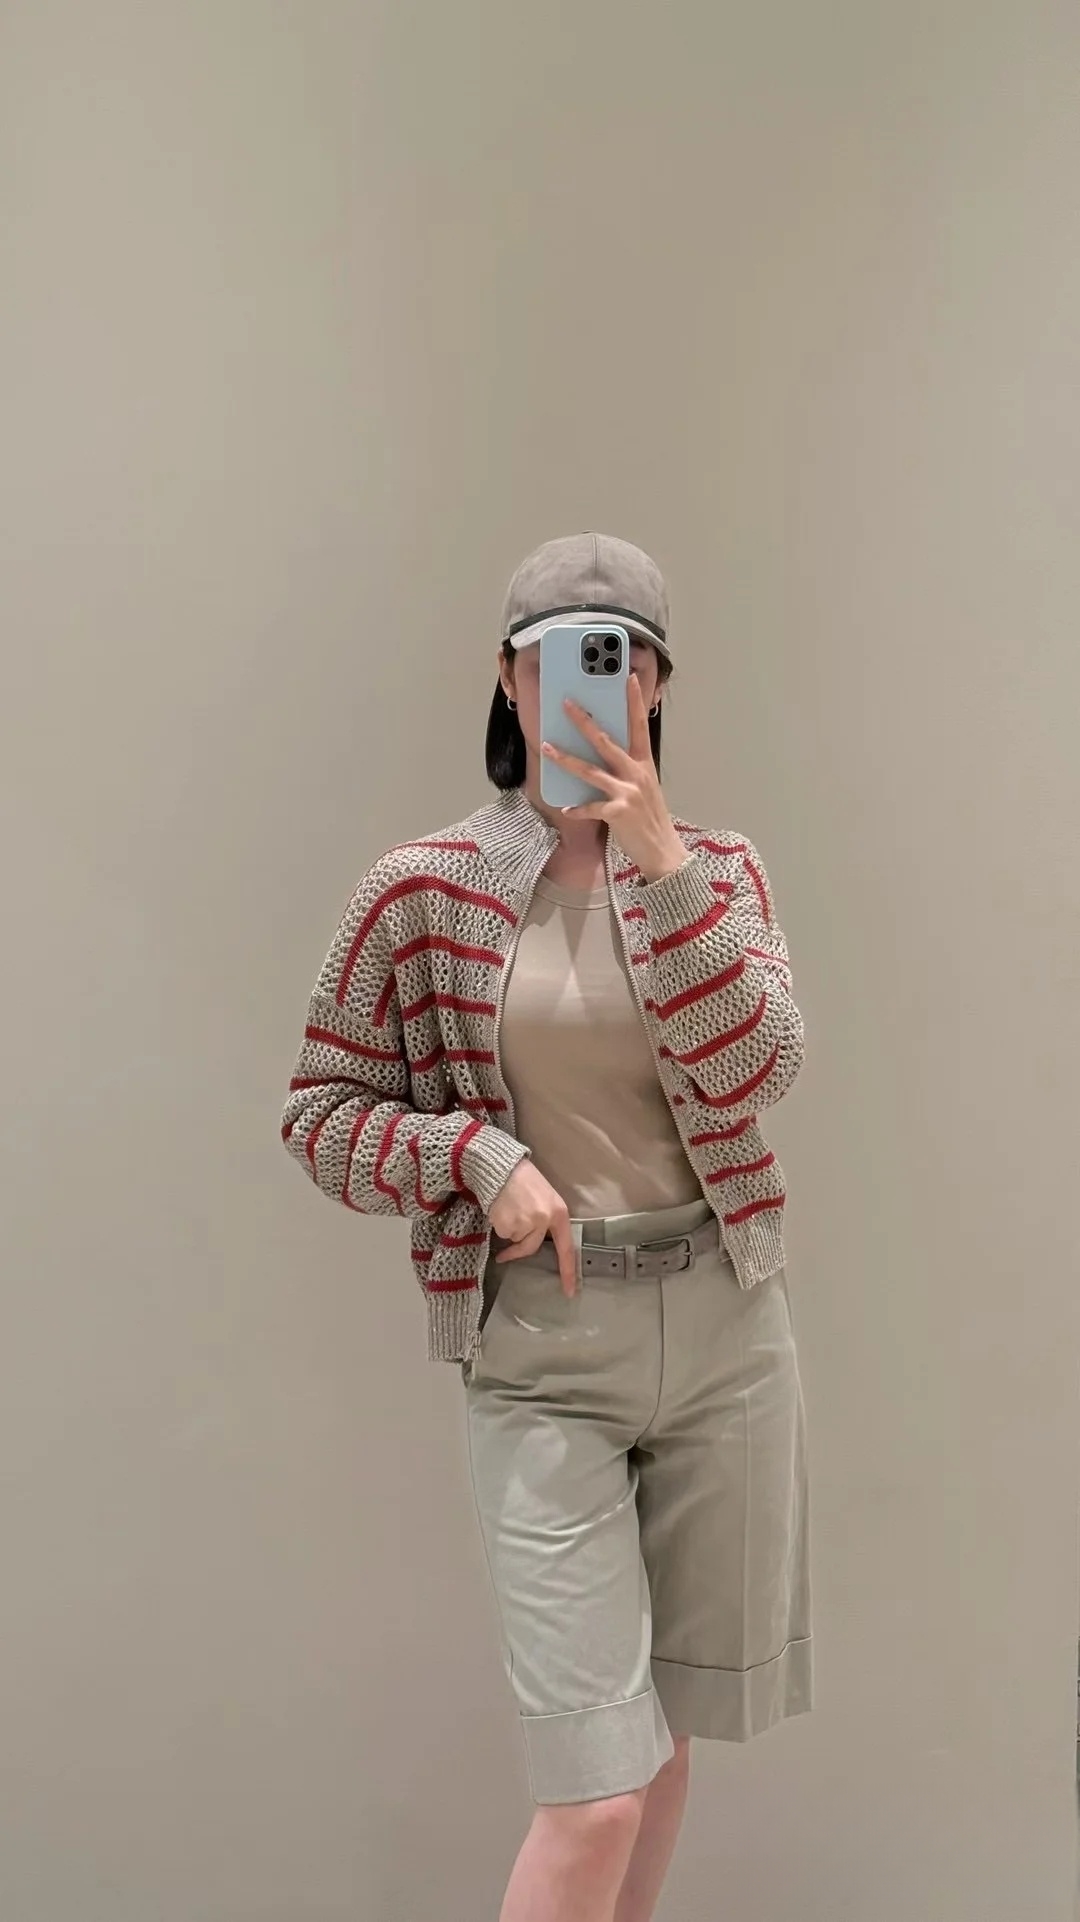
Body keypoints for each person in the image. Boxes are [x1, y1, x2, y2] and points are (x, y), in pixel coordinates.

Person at [281, 533, 812, 1922]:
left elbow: (764, 1067)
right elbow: (320, 1110)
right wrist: (471, 1154)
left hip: (726, 1341)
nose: (591, 682)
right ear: (510, 682)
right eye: (558, 657)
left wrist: (666, 864)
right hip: (542, 1351)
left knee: (665, 1741)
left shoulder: (723, 872)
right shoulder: (422, 887)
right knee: (594, 1796)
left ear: (657, 686)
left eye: (621, 658)